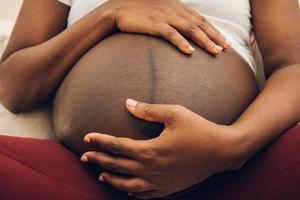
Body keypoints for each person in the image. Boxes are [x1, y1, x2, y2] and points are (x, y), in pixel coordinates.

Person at [0, 0, 299, 199]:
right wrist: (109, 15)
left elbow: (293, 66)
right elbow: (12, 86)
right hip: (85, 177)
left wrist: (234, 147)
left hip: (229, 179)